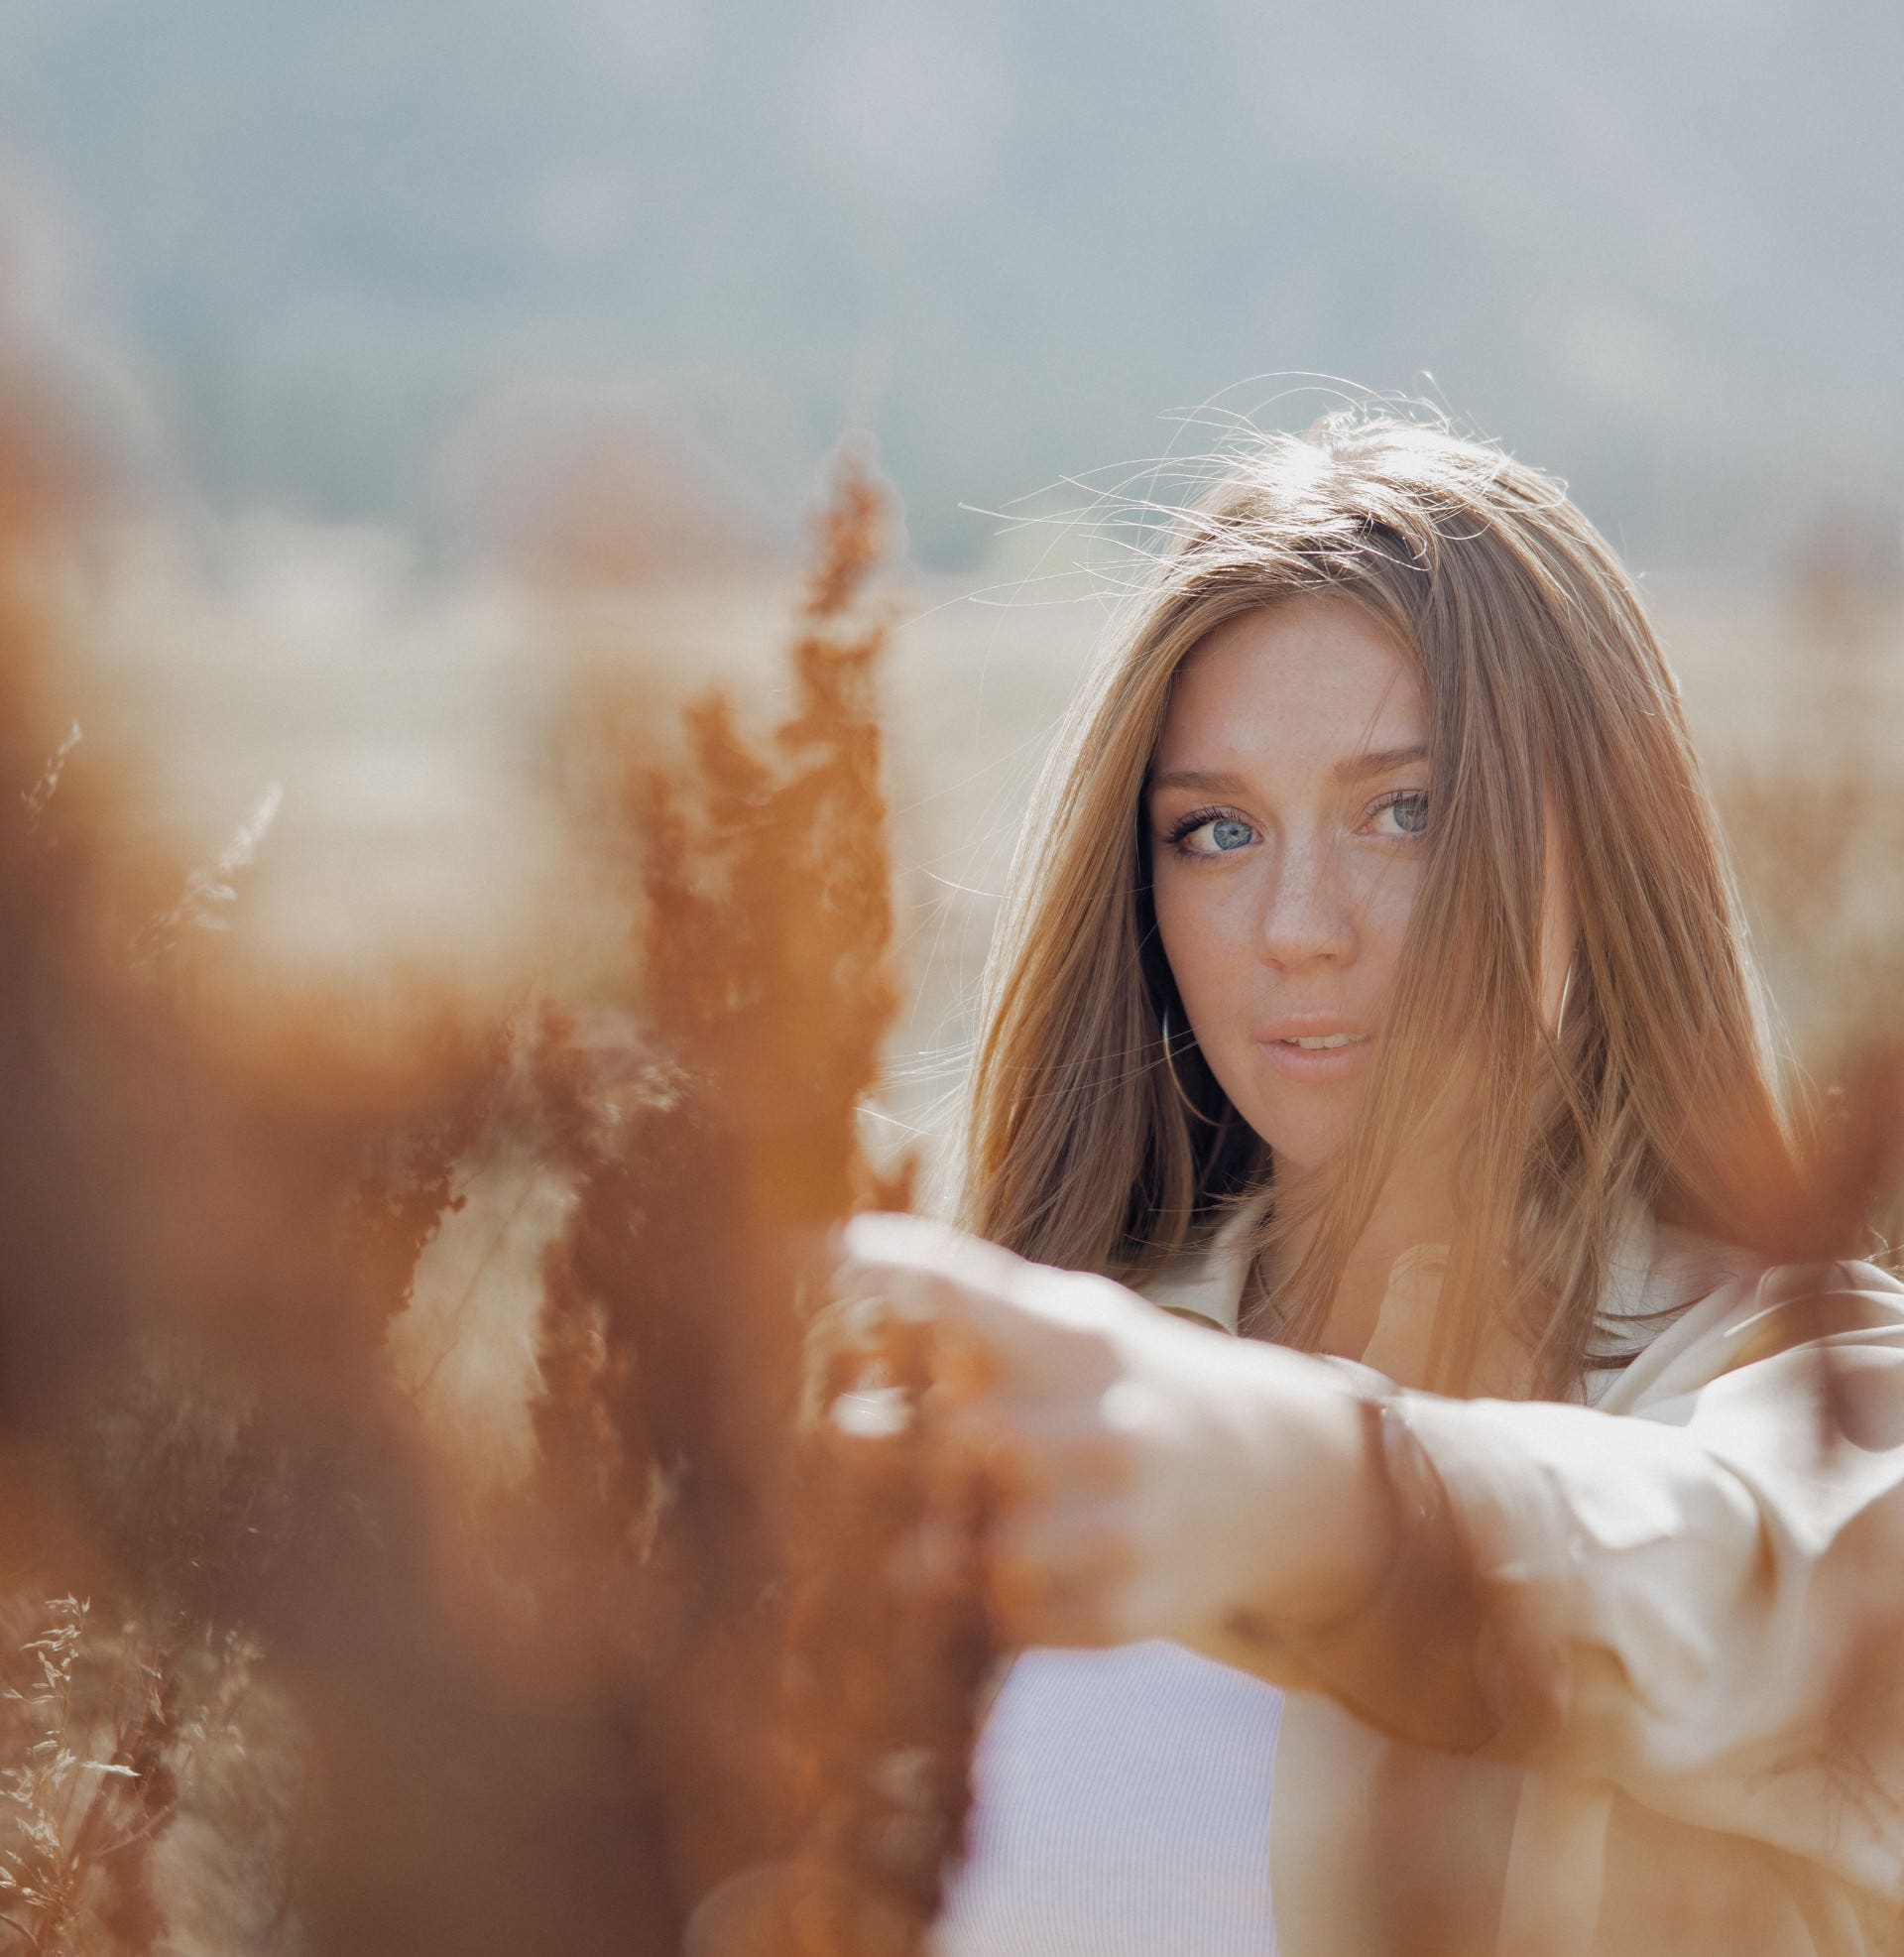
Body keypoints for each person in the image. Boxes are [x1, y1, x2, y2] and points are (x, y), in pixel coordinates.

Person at [832, 412, 1904, 1957]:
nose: (1298, 924)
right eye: (1216, 830)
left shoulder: (1805, 1389)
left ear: (1598, 850)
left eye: (1405, 809)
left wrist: (1333, 1495)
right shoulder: (1066, 1369)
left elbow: (1745, 1580)